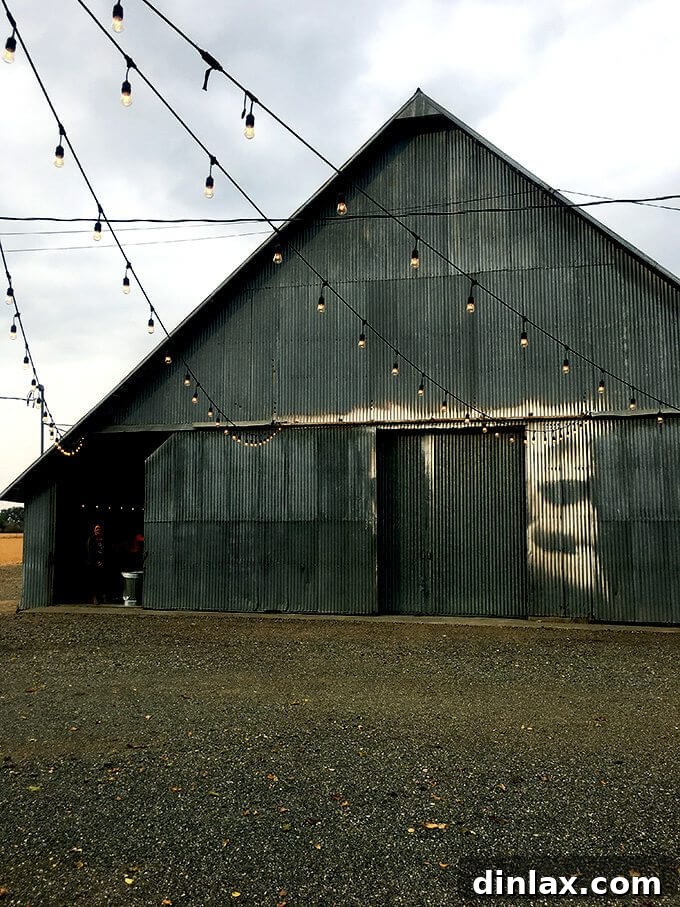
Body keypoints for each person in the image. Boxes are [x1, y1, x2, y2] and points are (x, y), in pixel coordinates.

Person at [85, 523, 108, 605]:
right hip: (93, 564)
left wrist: (103, 561)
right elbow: (90, 552)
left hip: (103, 563)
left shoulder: (103, 540)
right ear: (94, 530)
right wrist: (96, 561)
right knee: (94, 581)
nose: (98, 530)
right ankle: (94, 598)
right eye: (96, 529)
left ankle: (103, 597)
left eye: (99, 529)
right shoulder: (91, 540)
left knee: (102, 581)